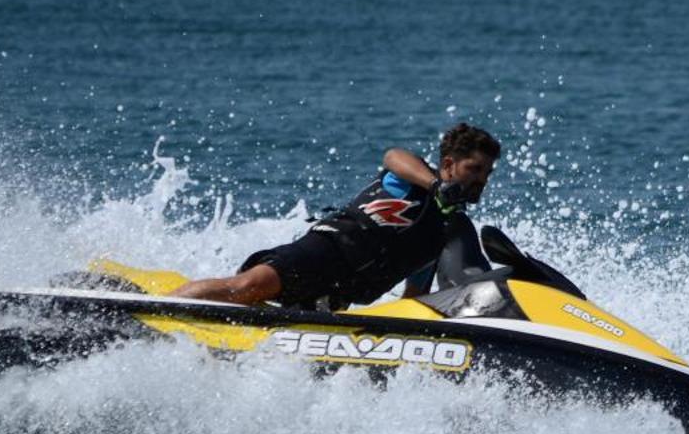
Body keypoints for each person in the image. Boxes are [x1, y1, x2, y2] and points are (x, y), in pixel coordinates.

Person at [171, 122, 502, 310]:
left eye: (486, 173)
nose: (480, 180)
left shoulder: (444, 231)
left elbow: (412, 298)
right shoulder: (412, 178)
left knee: (262, 316)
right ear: (447, 165)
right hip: (324, 254)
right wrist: (434, 185)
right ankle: (157, 306)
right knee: (248, 286)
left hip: (341, 295)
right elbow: (392, 156)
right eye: (473, 169)